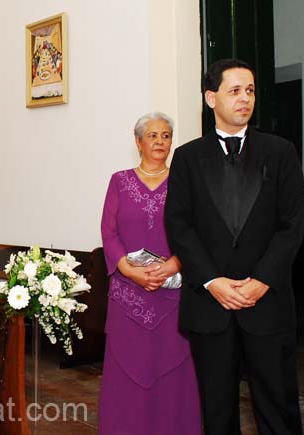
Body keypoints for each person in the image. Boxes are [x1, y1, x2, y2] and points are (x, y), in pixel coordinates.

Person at [165, 59, 304, 435]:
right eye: (234, 91)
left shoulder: (281, 152)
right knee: (217, 408)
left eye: (251, 90)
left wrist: (262, 279)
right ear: (211, 98)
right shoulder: (188, 158)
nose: (245, 99)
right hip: (210, 305)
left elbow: (292, 224)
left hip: (268, 302)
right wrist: (212, 281)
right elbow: (179, 225)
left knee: (279, 406)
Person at [98, 112, 201, 435]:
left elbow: (197, 230)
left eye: (166, 135)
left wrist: (174, 264)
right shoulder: (119, 180)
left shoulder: (184, 181)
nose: (160, 141)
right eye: (153, 135)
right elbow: (108, 232)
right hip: (128, 293)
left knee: (173, 365)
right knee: (127, 367)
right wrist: (129, 270)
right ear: (138, 141)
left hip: (173, 292)